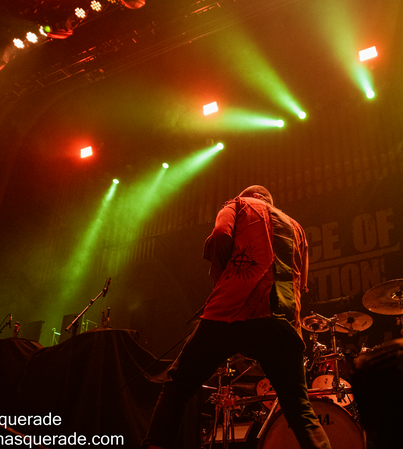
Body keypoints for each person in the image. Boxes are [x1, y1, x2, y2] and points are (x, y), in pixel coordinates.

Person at [142, 185, 331, 449]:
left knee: (179, 385)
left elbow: (221, 234)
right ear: (269, 202)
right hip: (283, 318)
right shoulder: (295, 227)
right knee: (298, 406)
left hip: (231, 309)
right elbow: (301, 280)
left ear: (249, 196)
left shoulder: (239, 205)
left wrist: (224, 278)